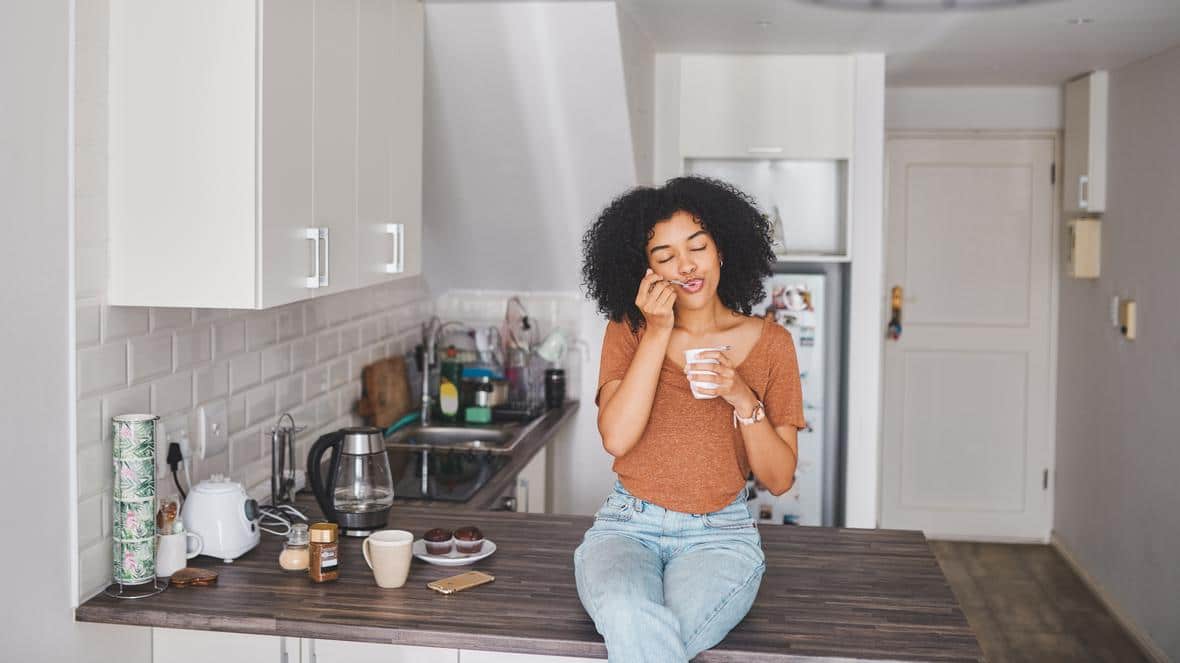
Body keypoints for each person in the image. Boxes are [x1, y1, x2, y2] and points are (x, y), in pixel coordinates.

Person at [574, 176, 806, 662]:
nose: (685, 265)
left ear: (722, 249)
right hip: (626, 526)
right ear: (646, 271)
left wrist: (741, 396)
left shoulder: (772, 345)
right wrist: (657, 332)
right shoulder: (629, 331)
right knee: (629, 612)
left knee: (656, 632)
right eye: (664, 256)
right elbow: (616, 438)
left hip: (720, 535)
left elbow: (780, 478)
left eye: (697, 246)